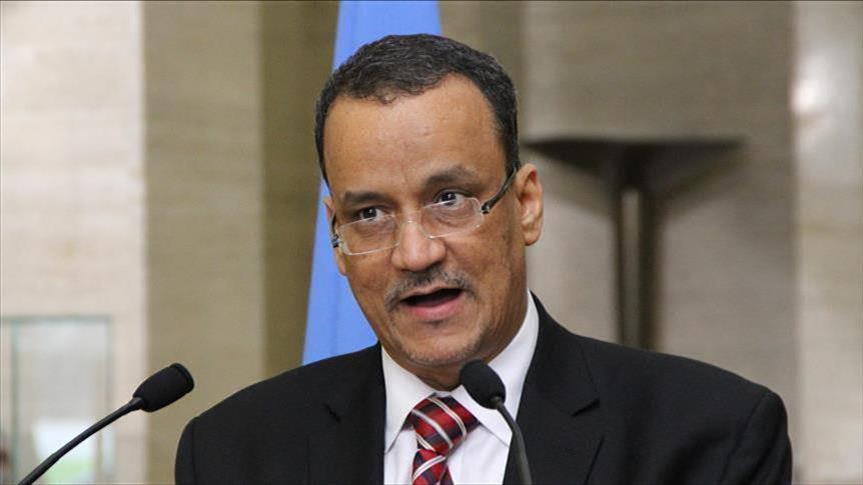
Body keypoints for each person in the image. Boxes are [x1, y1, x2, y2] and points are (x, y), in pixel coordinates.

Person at [175, 34, 791, 484]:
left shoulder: (708, 436)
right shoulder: (234, 452)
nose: (415, 253)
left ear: (525, 206)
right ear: (336, 235)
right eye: (371, 213)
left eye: (449, 199)